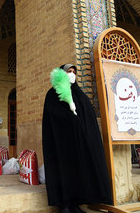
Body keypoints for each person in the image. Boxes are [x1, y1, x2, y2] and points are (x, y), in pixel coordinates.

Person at [42, 64, 112, 213]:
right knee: (63, 171)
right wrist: (72, 120)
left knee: (77, 172)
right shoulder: (52, 94)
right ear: (61, 74)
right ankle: (64, 205)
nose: (72, 74)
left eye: (74, 72)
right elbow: (53, 115)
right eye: (69, 71)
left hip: (77, 142)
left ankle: (75, 204)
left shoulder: (78, 93)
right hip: (61, 143)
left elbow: (88, 114)